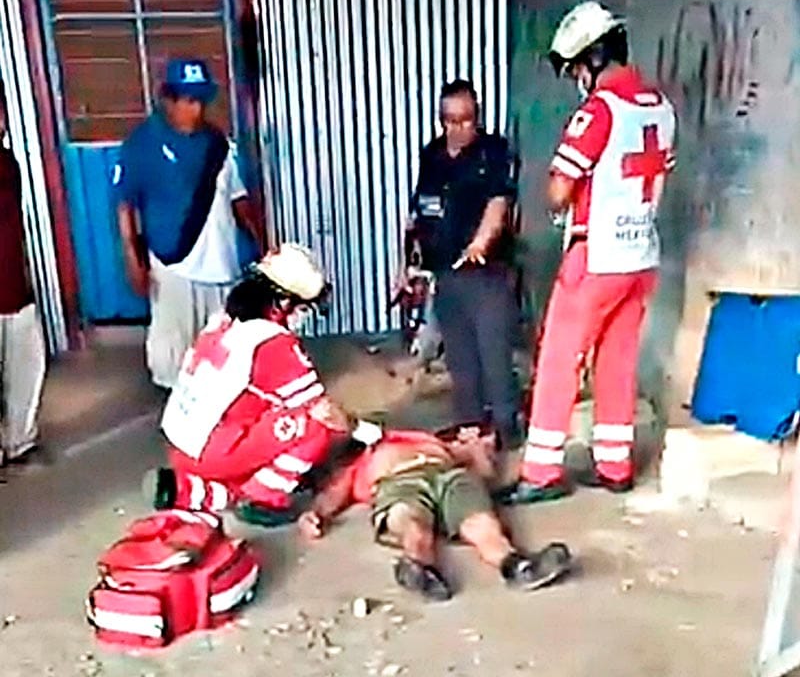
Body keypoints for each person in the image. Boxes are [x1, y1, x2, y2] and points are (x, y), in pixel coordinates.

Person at [498, 1, 677, 505]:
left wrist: (563, 193)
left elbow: (559, 192)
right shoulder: (661, 108)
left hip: (595, 255)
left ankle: (541, 472)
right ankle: (615, 465)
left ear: (593, 58)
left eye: (576, 67)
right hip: (640, 256)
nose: (577, 78)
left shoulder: (598, 111)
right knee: (617, 360)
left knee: (559, 359)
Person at [146, 243, 360, 527]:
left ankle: (193, 491)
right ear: (283, 303)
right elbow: (323, 410)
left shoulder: (222, 320)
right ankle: (263, 498)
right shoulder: (273, 342)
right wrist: (361, 430)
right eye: (303, 308)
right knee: (315, 425)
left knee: (273, 418)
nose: (304, 316)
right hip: (213, 452)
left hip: (181, 447)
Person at [115, 58, 263, 390]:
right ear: (168, 99)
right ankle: (177, 407)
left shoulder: (217, 145)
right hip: (173, 266)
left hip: (221, 264)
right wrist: (133, 261)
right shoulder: (142, 143)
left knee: (223, 351)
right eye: (189, 100)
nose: (197, 110)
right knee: (173, 356)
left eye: (201, 101)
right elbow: (126, 205)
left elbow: (238, 198)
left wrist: (262, 244)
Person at [298, 423, 571, 601]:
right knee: (412, 524)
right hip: (400, 482)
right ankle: (419, 569)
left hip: (449, 475)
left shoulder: (426, 440)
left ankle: (517, 566)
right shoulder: (360, 463)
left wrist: (479, 449)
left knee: (481, 521)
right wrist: (315, 515)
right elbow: (333, 495)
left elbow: (485, 474)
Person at [403, 79, 520, 449]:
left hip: (486, 271)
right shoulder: (432, 156)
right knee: (460, 355)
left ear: (477, 118)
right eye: (451, 120)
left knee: (493, 352)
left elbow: (499, 202)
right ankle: (470, 424)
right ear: (441, 120)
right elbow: (418, 213)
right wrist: (408, 265)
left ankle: (505, 428)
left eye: (467, 119)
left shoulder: (492, 152)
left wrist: (480, 244)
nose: (459, 128)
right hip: (445, 271)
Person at [0, 82, 46, 466]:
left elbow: (16, 228)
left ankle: (20, 440)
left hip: (15, 286)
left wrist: (27, 272)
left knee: (27, 367)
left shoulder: (7, 164)